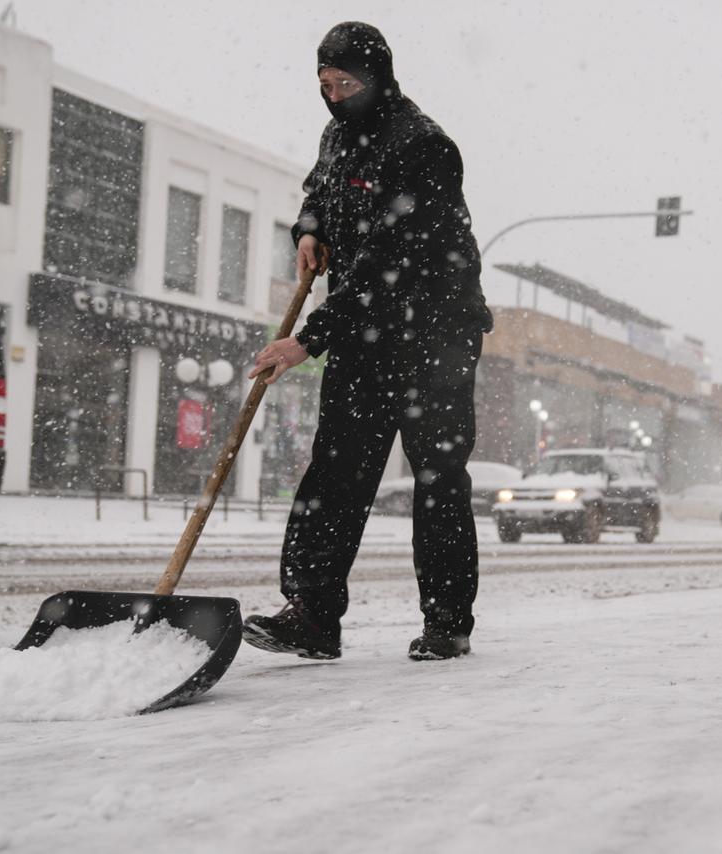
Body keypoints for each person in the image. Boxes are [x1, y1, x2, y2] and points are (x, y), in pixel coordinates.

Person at [243, 22, 493, 662]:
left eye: (345, 84)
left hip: (435, 330)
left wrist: (308, 339)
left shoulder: (425, 147)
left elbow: (392, 264)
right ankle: (311, 616)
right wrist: (308, 228)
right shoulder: (337, 133)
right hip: (366, 326)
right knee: (337, 468)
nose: (333, 97)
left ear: (377, 78)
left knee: (436, 476)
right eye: (324, 86)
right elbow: (318, 190)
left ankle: (447, 622)